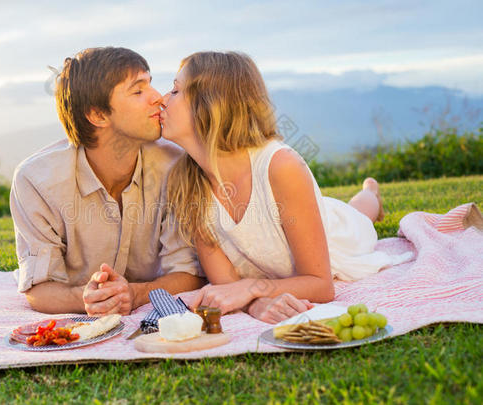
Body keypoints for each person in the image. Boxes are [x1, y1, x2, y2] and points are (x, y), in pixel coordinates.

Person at [160, 51, 412, 323]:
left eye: (175, 91)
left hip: (336, 240)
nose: (161, 100)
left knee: (358, 217)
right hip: (292, 231)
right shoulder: (187, 183)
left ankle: (371, 190)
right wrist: (255, 304)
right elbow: (226, 284)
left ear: (211, 105)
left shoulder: (281, 166)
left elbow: (321, 285)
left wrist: (250, 289)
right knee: (339, 210)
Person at [9, 47, 205, 315]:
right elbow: (39, 289)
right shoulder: (36, 181)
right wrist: (86, 298)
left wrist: (135, 294)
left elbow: (189, 273)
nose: (158, 97)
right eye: (138, 91)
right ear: (97, 115)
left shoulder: (176, 165)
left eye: (150, 84)